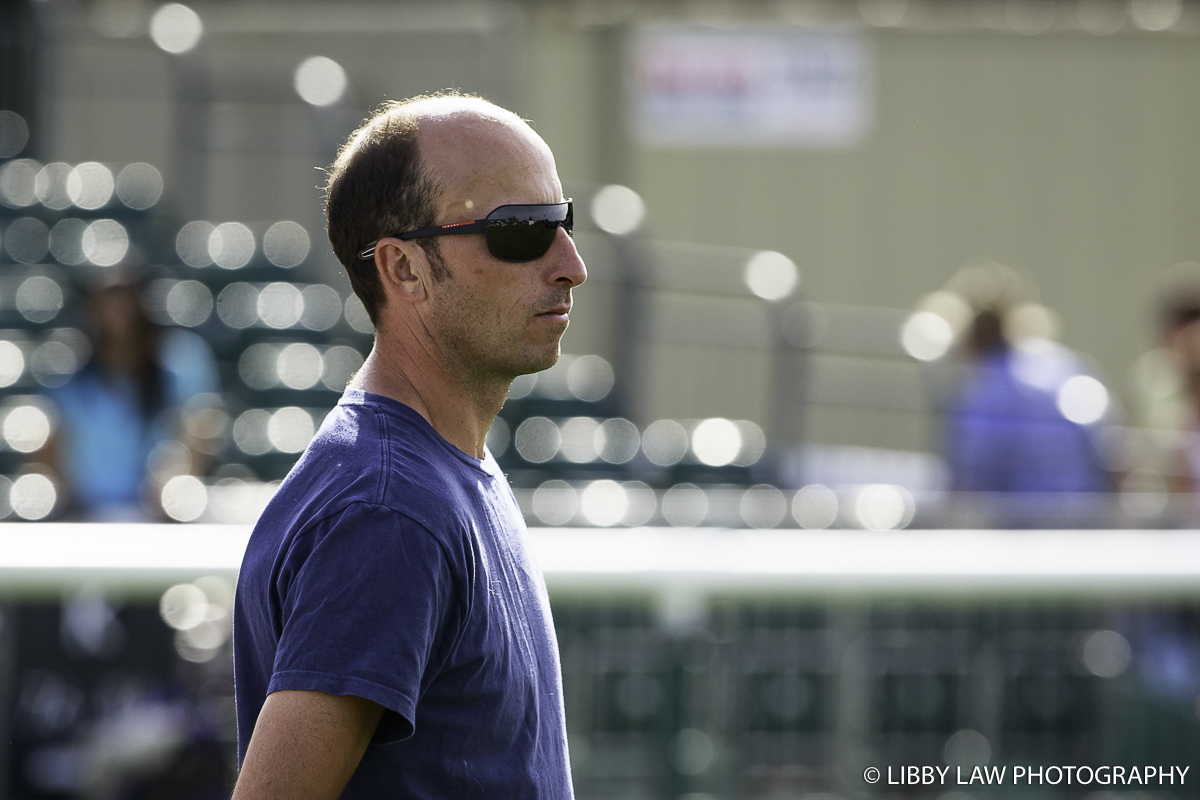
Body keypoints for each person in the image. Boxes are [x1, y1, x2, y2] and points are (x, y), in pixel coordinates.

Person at [232, 93, 587, 799]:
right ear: (403, 269)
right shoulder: (390, 510)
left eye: (563, 223)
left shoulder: (433, 471)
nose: (570, 264)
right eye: (519, 230)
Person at [45, 268, 219, 520]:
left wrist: (177, 475)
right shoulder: (66, 369)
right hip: (86, 514)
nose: (118, 315)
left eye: (127, 301)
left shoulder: (183, 360)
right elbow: (51, 442)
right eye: (107, 304)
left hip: (165, 515)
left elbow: (201, 428)